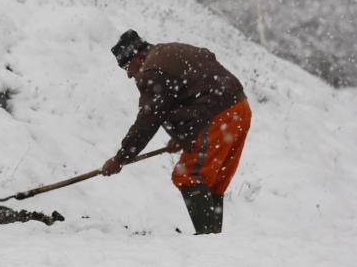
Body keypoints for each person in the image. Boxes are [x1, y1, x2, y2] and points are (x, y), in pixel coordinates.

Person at [101, 30, 252, 234]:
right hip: (239, 109)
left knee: (190, 175)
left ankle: (208, 240)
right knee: (212, 182)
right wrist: (183, 136)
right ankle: (215, 242)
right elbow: (191, 90)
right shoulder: (167, 53)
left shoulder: (153, 70)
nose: (128, 74)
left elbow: (148, 119)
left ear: (138, 56)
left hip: (219, 115)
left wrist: (121, 158)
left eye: (127, 66)